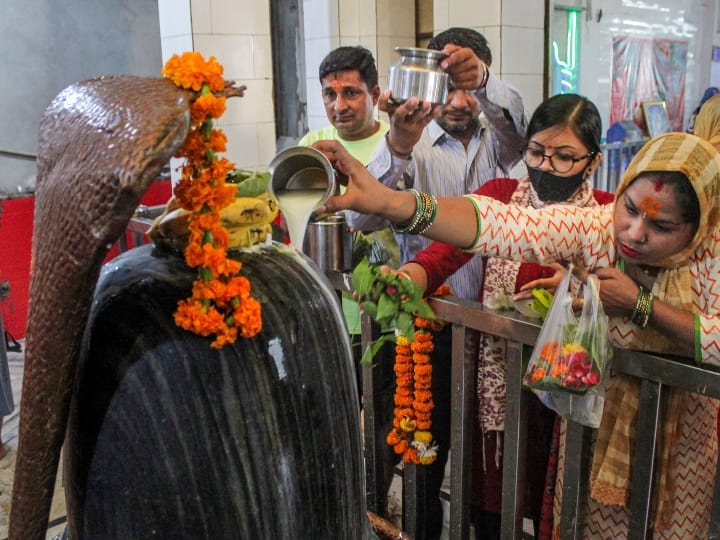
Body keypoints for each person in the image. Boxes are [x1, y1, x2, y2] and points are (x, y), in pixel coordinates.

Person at [315, 130, 720, 539]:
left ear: (702, 223)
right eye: (630, 208)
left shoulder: (714, 259)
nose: (633, 232)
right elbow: (505, 223)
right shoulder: (598, 228)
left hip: (684, 448)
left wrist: (641, 306)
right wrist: (390, 202)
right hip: (592, 437)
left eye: (662, 225)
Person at [397, 93, 613, 539]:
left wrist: (581, 287)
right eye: (536, 152)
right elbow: (448, 250)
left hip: (568, 397)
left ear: (593, 162)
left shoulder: (611, 215)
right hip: (500, 395)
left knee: (561, 506)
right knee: (494, 513)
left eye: (565, 157)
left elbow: (628, 289)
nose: (546, 166)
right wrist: (411, 276)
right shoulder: (501, 197)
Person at [347, 27, 527, 539]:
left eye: (469, 85)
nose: (458, 101)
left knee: (492, 466)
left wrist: (487, 83)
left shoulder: (508, 146)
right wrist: (399, 143)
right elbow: (363, 219)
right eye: (446, 87)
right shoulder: (414, 146)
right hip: (432, 328)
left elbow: (518, 120)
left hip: (499, 337)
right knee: (425, 458)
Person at [297, 45, 399, 393]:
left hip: (387, 309)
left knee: (384, 415)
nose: (338, 106)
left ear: (374, 94)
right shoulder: (312, 145)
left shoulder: (395, 145)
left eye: (350, 93)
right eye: (330, 94)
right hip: (328, 308)